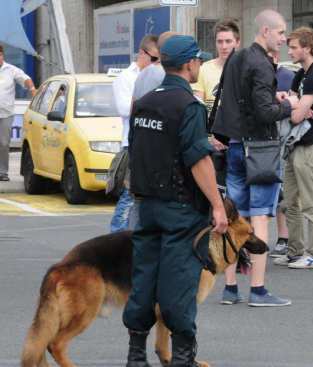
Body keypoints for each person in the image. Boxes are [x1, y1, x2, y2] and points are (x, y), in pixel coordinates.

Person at [122, 35, 226, 367]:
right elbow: (199, 160)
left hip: (147, 206)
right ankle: (183, 360)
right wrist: (219, 205)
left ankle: (136, 357)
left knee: (144, 280)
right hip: (181, 210)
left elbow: (134, 150)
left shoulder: (144, 103)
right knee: (179, 283)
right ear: (190, 63)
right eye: (198, 60)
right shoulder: (188, 105)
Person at [211, 9, 298, 307]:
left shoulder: (236, 57)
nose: (284, 39)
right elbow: (264, 113)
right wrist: (289, 106)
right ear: (265, 31)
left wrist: (273, 98)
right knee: (261, 216)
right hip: (259, 149)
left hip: (234, 147)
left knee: (236, 217)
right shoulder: (262, 63)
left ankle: (230, 288)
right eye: (280, 32)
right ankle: (258, 290)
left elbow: (238, 97)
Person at [272, 27, 313, 269]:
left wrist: (293, 107)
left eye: (294, 47)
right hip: (295, 147)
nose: (290, 51)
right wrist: (293, 105)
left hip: (311, 148)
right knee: (287, 202)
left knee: (310, 204)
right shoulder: (301, 74)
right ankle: (295, 251)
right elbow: (293, 103)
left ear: (307, 48)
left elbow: (295, 116)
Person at [127, 31, 179, 231]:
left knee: (139, 203)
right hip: (159, 150)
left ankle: (131, 246)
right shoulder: (165, 75)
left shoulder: (144, 73)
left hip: (141, 147)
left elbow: (133, 112)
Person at [110, 34, 159, 232]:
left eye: (159, 59)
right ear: (142, 53)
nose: (156, 63)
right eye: (154, 58)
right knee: (131, 193)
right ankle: (118, 234)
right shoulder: (126, 77)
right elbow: (123, 109)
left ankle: (132, 238)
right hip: (133, 141)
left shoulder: (157, 74)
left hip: (151, 140)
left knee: (142, 195)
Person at [192, 18, 240, 151]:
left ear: (237, 42)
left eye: (228, 41)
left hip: (238, 141)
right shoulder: (203, 70)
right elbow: (198, 111)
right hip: (210, 143)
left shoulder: (245, 71)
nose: (224, 46)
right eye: (220, 42)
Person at [268, 50, 295, 258]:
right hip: (263, 142)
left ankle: (284, 238)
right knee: (269, 191)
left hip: (283, 142)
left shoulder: (288, 77)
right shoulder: (256, 74)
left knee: (283, 191)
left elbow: (296, 107)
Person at [0, 42, 37, 182]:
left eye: (0, 55)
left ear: (3, 55)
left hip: (5, 114)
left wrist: (32, 89)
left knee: (3, 144)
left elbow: (26, 79)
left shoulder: (11, 70)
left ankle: (2, 172)